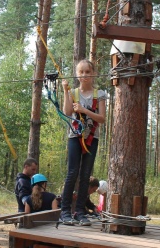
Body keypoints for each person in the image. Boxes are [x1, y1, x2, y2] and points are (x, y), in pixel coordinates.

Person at [60, 59, 106, 226]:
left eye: (88, 72)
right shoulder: (73, 93)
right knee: (72, 172)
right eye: (81, 72)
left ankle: (80, 211)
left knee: (86, 175)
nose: (85, 75)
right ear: (77, 75)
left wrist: (85, 110)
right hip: (75, 137)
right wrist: (66, 92)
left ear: (93, 74)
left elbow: (101, 118)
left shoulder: (99, 94)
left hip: (92, 138)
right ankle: (65, 211)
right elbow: (67, 112)